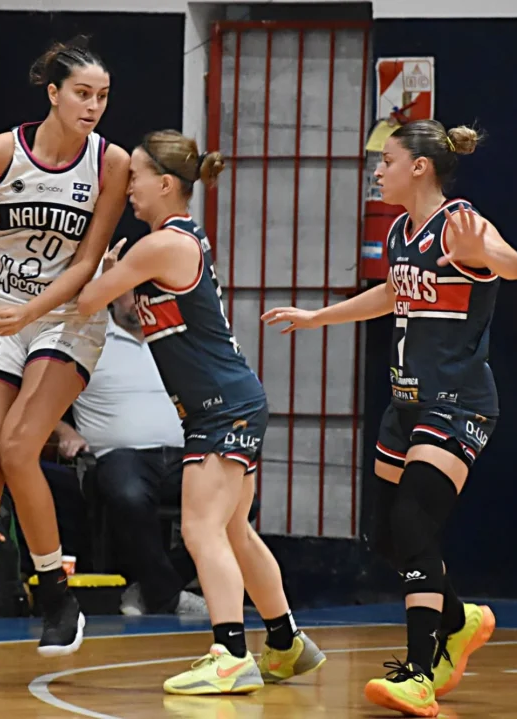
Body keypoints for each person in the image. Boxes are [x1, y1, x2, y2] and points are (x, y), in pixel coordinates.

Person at [263, 120, 517, 717]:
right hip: (405, 403)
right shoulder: (400, 231)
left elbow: (512, 265)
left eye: (387, 160)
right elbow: (391, 294)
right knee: (385, 537)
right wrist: (318, 317)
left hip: (456, 401)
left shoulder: (460, 222)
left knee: (412, 522)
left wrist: (485, 254)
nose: (378, 170)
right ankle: (459, 621)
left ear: (419, 167)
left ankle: (419, 674)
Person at [76, 129, 326, 696]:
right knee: (234, 530)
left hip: (221, 406)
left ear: (165, 184)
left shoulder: (160, 245)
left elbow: (88, 300)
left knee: (200, 528)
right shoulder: (172, 240)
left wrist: (99, 271)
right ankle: (286, 641)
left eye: (135, 177)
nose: (128, 188)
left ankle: (230, 654)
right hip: (229, 401)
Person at [0, 36, 129, 677]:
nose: (93, 106)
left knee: (17, 449)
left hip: (64, 317)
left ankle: (56, 591)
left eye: (103, 96)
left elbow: (88, 262)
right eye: (83, 94)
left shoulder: (111, 163)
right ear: (53, 94)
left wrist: (34, 311)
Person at [52, 284, 208, 618]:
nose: (139, 301)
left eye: (145, 293)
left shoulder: (172, 340)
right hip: (120, 456)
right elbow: (42, 403)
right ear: (114, 294)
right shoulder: (89, 339)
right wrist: (66, 432)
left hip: (183, 454)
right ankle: (166, 597)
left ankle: (154, 588)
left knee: (239, 499)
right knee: (129, 495)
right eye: (131, 292)